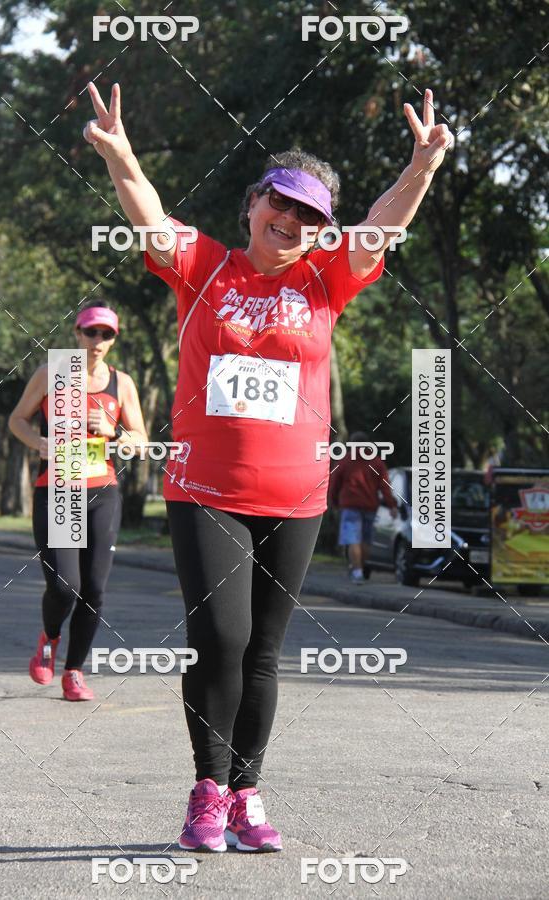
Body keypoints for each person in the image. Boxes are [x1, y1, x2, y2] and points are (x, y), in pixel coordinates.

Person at [83, 82, 452, 851]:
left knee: (262, 652)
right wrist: (121, 155)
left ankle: (248, 794)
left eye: (309, 217)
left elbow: (383, 223)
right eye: (279, 206)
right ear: (253, 204)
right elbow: (148, 215)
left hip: (296, 497)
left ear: (322, 231)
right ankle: (206, 790)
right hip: (205, 490)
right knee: (220, 635)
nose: (290, 223)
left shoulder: (327, 280)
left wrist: (420, 167)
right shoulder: (204, 269)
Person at [8, 300, 147, 700]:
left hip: (102, 490)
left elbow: (142, 442)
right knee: (66, 586)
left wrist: (115, 430)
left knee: (95, 589)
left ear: (113, 339)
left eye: (106, 334)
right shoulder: (54, 372)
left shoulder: (122, 383)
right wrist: (39, 443)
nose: (97, 341)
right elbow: (17, 418)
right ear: (76, 333)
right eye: (90, 332)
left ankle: (73, 671)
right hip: (58, 487)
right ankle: (49, 639)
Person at [328, 431, 398, 582]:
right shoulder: (377, 462)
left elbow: (334, 484)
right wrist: (391, 505)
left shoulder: (344, 461)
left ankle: (357, 571)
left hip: (350, 505)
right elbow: (385, 486)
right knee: (366, 540)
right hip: (370, 506)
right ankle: (360, 568)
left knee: (353, 539)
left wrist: (333, 502)